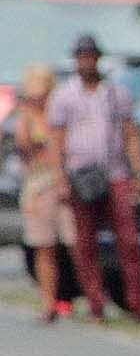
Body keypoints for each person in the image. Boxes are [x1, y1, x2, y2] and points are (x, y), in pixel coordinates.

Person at [46, 37, 140, 321]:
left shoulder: (115, 93)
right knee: (85, 242)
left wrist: (138, 172)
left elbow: (130, 134)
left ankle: (138, 304)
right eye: (82, 57)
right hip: (81, 174)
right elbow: (55, 139)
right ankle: (95, 303)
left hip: (114, 171)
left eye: (90, 57)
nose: (86, 62)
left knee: (128, 240)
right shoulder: (64, 96)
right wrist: (60, 177)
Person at [15, 64, 78, 318]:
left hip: (64, 182)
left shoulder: (60, 113)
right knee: (44, 246)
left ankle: (74, 296)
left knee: (74, 243)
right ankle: (48, 301)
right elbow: (23, 146)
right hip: (38, 186)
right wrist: (27, 116)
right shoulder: (27, 117)